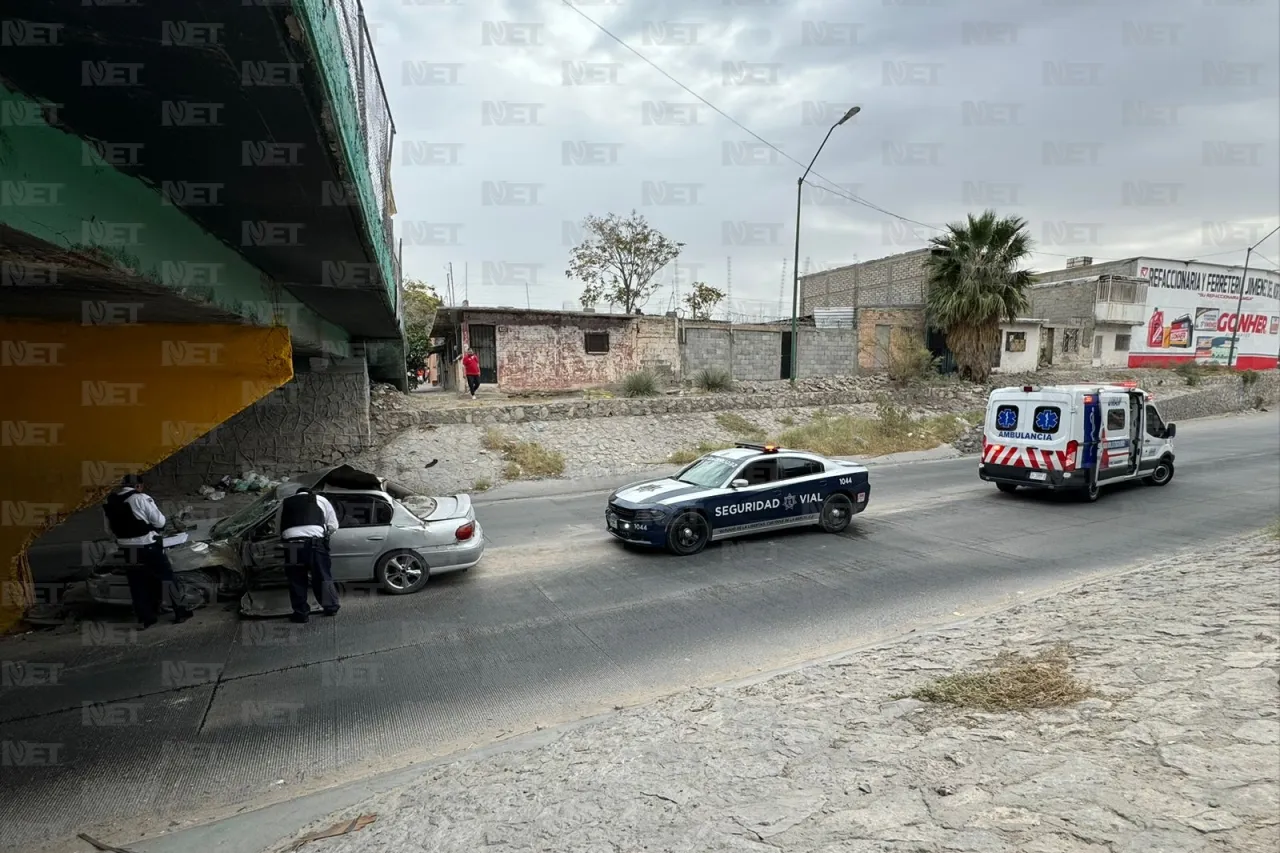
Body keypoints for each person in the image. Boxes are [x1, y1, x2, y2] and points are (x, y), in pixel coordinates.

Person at [102, 474, 192, 629]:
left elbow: (108, 530)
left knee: (137, 584)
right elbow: (160, 521)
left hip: (127, 549)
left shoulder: (111, 502)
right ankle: (180, 612)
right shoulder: (140, 498)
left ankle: (146, 618)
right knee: (166, 578)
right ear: (138, 486)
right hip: (147, 546)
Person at [276, 486, 340, 623]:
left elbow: (278, 529)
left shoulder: (285, 502)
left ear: (296, 495)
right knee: (322, 576)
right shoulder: (320, 499)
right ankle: (331, 607)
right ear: (311, 493)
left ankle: (301, 613)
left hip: (292, 545)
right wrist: (324, 535)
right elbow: (333, 526)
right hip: (314, 544)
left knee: (296, 579)